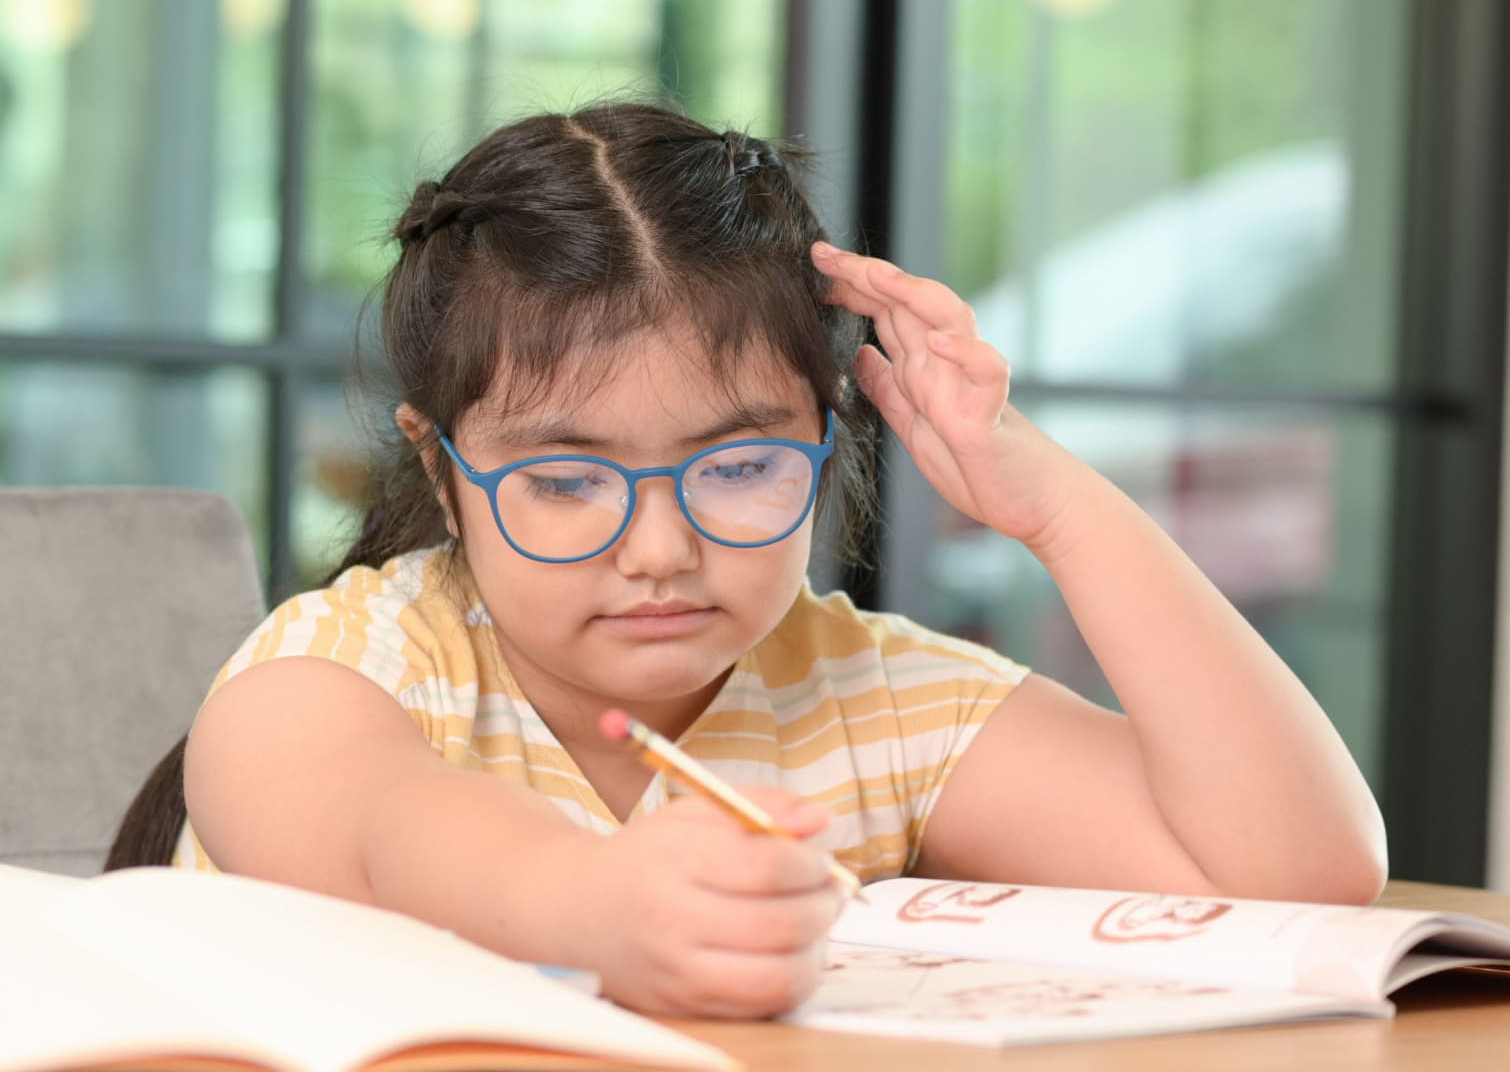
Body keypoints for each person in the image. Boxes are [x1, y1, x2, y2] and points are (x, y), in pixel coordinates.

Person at [110, 102, 1386, 1017]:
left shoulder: (867, 697)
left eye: (737, 468)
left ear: (830, 442)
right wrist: (608, 909)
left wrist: (1051, 502)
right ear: (443, 473)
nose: (659, 551)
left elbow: (1292, 873)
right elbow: (391, 835)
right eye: (561, 481)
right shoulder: (341, 670)